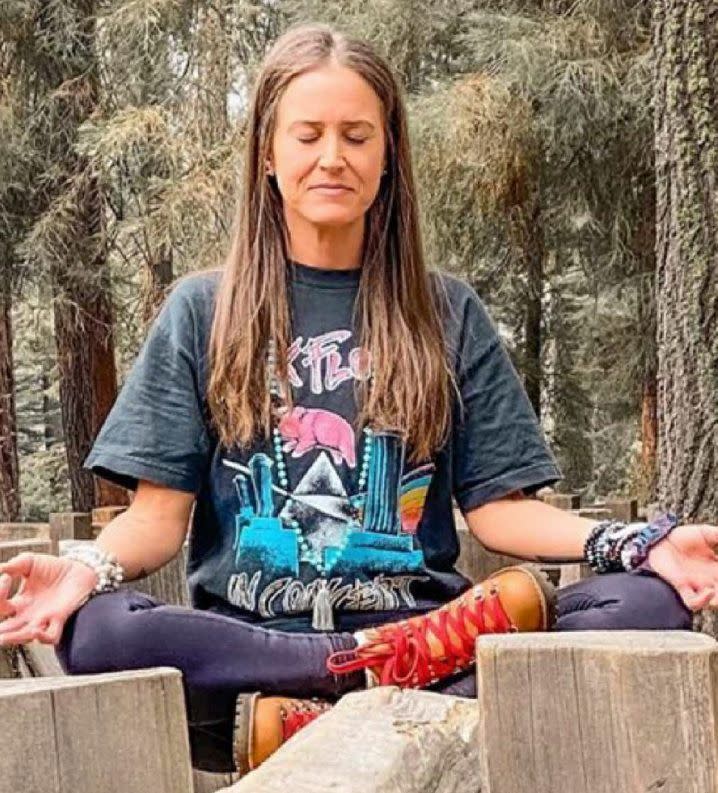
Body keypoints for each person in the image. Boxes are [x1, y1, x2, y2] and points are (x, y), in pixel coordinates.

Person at [0, 23, 716, 777]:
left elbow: (502, 510)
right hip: (255, 656)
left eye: (356, 135)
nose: (332, 156)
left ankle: (333, 705)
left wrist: (638, 543)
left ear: (388, 156)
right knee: (102, 630)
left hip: (426, 631)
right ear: (267, 156)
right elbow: (155, 520)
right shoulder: (201, 310)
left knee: (646, 606)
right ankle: (373, 679)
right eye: (307, 134)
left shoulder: (447, 312)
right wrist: (85, 566)